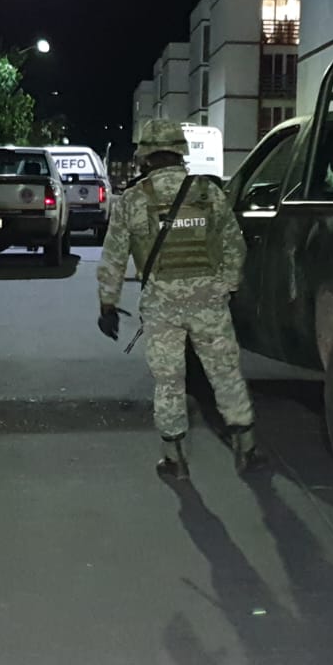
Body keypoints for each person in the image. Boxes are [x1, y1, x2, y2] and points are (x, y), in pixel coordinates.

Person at [96, 119, 263, 478]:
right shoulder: (209, 193)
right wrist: (224, 286)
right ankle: (246, 449)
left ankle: (175, 460)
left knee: (169, 381)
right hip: (209, 302)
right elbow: (236, 246)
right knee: (225, 373)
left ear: (146, 156)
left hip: (161, 305)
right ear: (178, 152)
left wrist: (107, 304)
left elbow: (113, 256)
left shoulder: (133, 200)